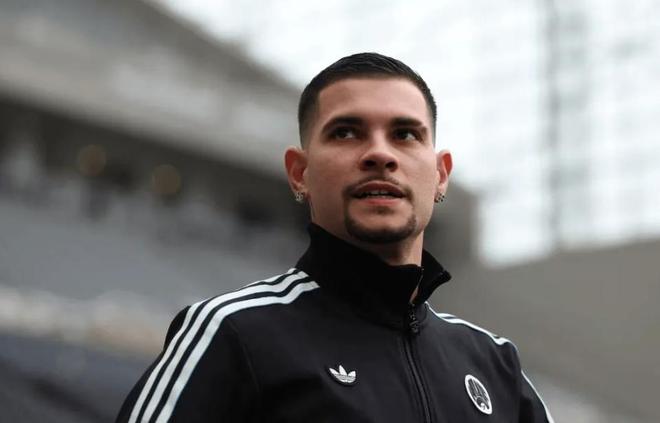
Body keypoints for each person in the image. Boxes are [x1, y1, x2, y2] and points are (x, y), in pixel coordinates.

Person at [116, 52, 554, 422]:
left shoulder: (496, 365)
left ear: (440, 175)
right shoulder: (233, 332)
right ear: (299, 173)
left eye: (405, 134)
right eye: (346, 132)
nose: (379, 153)